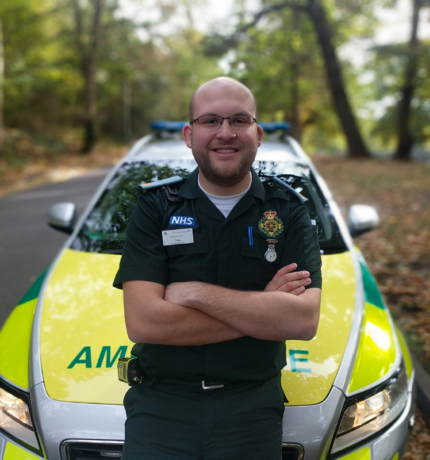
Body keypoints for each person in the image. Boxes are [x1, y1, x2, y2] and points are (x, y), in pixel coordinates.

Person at [113, 77, 322, 460]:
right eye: (210, 121)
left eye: (238, 121)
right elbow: (144, 322)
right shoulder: (155, 207)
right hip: (161, 408)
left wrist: (194, 294)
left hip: (251, 411)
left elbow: (302, 321)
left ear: (257, 133)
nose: (225, 133)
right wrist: (264, 307)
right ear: (189, 134)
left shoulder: (289, 210)